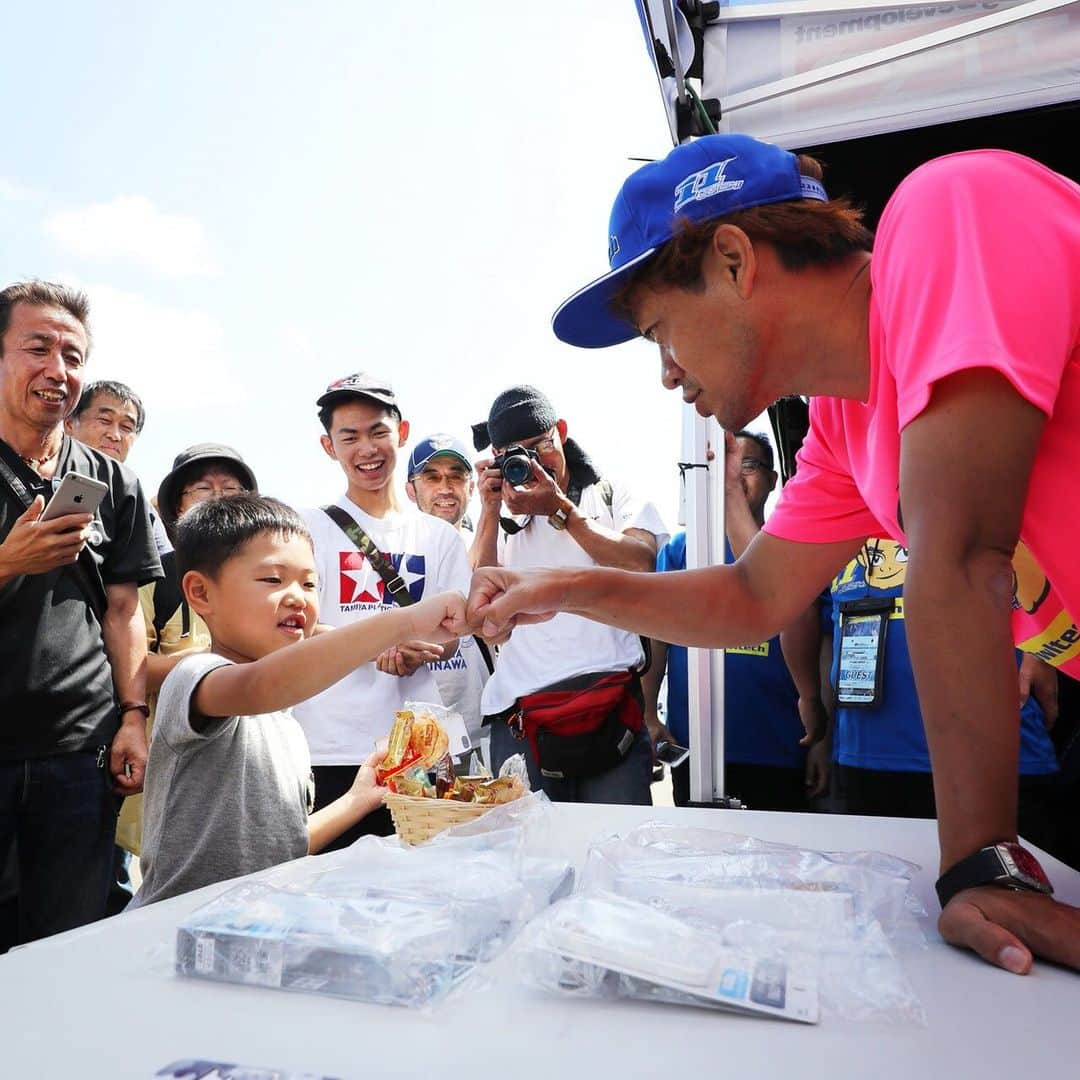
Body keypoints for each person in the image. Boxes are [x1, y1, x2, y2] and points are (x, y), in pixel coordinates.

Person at [466, 134, 1080, 973]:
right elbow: (753, 597)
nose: (667, 375)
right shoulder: (841, 425)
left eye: (659, 332)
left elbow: (967, 555)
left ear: (730, 260)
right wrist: (567, 586)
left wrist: (981, 864)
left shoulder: (950, 213)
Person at [131, 494, 467, 907]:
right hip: (174, 927)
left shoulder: (287, 723)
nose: (297, 597)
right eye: (273, 579)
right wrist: (407, 622)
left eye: (309, 583)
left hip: (256, 927)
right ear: (201, 594)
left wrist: (357, 799)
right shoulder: (195, 678)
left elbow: (286, 845)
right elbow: (260, 685)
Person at [0, 281, 160, 946]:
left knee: (66, 944)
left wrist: (133, 718)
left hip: (80, 754)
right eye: (38, 348)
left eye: (73, 356)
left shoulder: (112, 481)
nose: (58, 370)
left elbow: (124, 610)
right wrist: (9, 561)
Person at [295, 374, 472, 845]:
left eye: (377, 432)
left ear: (402, 433)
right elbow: (295, 626)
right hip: (329, 746)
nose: (366, 449)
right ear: (328, 446)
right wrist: (375, 646)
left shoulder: (439, 536)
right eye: (348, 437)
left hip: (422, 748)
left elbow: (455, 627)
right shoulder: (305, 529)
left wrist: (422, 647)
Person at [471, 384, 668, 804]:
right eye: (514, 456)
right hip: (525, 719)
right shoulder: (502, 518)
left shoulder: (610, 495)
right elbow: (484, 617)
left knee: (619, 854)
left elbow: (641, 562)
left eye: (540, 446)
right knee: (531, 862)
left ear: (561, 431)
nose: (531, 463)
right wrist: (488, 512)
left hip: (614, 709)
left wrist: (560, 510)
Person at [825, 538, 1062, 852]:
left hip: (993, 758)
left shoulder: (994, 493)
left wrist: (1045, 647)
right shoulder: (835, 509)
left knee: (1005, 894)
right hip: (866, 755)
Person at [644, 431, 829, 809]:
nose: (735, 476)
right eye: (723, 467)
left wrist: (823, 742)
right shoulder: (683, 551)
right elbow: (655, 640)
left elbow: (822, 644)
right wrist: (648, 714)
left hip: (779, 747)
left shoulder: (798, 547)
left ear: (773, 479)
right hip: (694, 751)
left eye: (749, 465)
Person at [114, 444, 259, 863]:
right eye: (202, 489)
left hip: (245, 768)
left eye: (231, 488)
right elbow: (130, 666)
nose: (218, 497)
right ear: (176, 506)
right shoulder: (154, 577)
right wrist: (211, 661)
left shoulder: (269, 575)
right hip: (170, 772)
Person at [405, 434, 492, 759]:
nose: (445, 487)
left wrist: (492, 511)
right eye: (431, 477)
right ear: (410, 490)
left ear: (471, 487)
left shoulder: (494, 544)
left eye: (456, 476)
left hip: (482, 729)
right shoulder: (393, 549)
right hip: (412, 735)